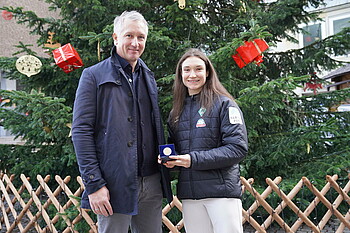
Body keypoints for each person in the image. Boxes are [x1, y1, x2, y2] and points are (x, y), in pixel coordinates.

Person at [72, 10, 172, 233]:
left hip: (152, 181)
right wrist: (94, 185)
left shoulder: (148, 76)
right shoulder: (93, 76)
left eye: (141, 37)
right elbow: (81, 132)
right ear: (115, 37)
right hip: (112, 183)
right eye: (129, 36)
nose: (135, 43)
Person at [161, 48, 248, 233]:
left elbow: (237, 149)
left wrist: (192, 160)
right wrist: (171, 161)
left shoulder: (225, 104)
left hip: (221, 194)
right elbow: (178, 152)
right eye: (187, 70)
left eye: (198, 69)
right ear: (180, 74)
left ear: (207, 72)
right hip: (190, 196)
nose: (192, 75)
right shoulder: (176, 112)